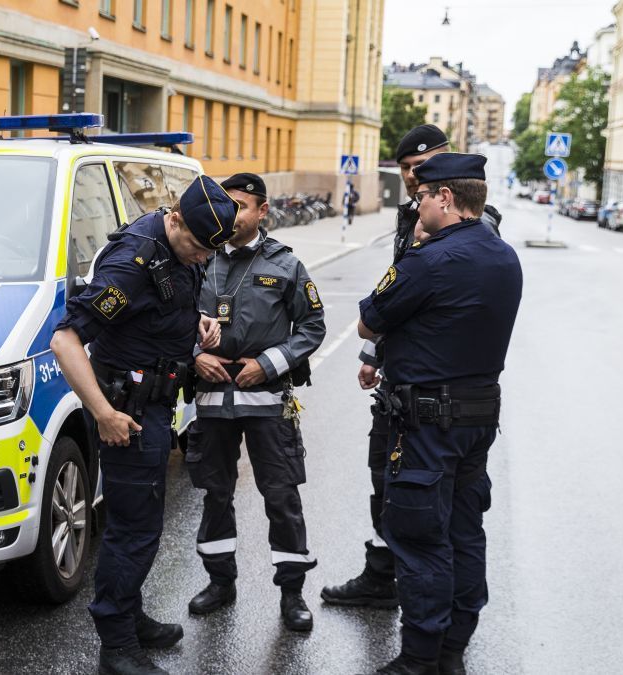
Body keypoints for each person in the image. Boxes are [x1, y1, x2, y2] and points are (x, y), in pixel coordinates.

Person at [51, 176, 238, 675]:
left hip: (156, 403)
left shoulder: (182, 249)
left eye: (208, 254)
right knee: (133, 531)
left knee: (142, 525)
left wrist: (196, 324)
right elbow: (66, 340)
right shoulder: (130, 264)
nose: (202, 259)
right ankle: (116, 645)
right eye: (197, 248)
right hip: (127, 413)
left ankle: (130, 618)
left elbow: (161, 306)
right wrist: (104, 414)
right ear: (174, 217)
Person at [356, 153, 523, 675]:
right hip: (478, 420)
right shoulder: (504, 255)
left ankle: (420, 658)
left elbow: (367, 322)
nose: (417, 205)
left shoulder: (429, 260)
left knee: (421, 536)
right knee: (465, 532)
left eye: (421, 197)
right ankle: (453, 648)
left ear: (444, 198)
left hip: (429, 423)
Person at [183, 172, 326, 632]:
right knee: (215, 493)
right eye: (227, 205)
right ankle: (220, 583)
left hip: (266, 400)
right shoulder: (197, 258)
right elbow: (168, 320)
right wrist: (196, 355)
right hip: (211, 401)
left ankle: (291, 593)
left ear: (263, 211)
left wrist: (269, 362)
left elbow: (312, 326)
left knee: (281, 496)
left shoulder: (286, 264)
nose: (232, 214)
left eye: (241, 206)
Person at [321, 124, 450, 610]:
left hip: (432, 383)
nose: (416, 176)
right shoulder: (408, 216)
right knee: (383, 477)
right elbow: (395, 291)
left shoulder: (473, 220)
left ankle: (425, 597)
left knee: (422, 491)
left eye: (424, 167)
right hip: (397, 375)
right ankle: (381, 575)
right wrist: (373, 355)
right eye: (409, 170)